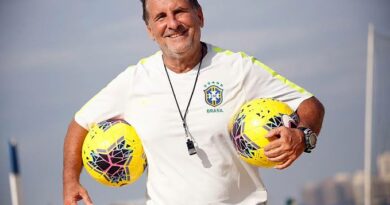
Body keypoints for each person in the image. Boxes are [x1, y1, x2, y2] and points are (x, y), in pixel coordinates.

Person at [63, 0, 325, 204]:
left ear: (200, 16)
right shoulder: (133, 81)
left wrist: (302, 136)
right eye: (161, 16)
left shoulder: (238, 68)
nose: (172, 23)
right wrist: (70, 182)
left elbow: (310, 104)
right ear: (150, 30)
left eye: (180, 11)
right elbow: (81, 122)